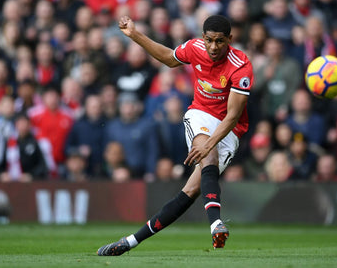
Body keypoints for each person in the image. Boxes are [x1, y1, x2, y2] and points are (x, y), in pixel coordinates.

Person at [97, 14, 253, 255]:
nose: (213, 47)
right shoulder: (194, 47)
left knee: (190, 192)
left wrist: (211, 143)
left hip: (229, 128)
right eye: (210, 40)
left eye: (220, 41)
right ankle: (216, 224)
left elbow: (233, 116)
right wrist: (135, 35)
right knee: (208, 158)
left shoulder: (241, 67)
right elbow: (169, 59)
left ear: (230, 39)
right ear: (203, 37)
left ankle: (129, 242)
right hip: (200, 114)